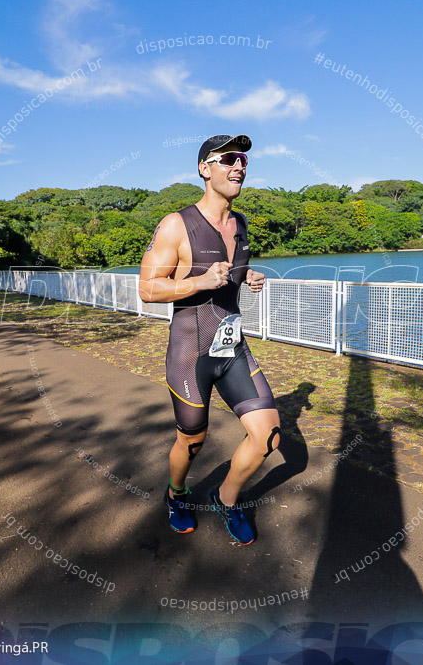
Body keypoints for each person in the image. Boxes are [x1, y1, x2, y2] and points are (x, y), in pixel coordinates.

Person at [139, 134, 279, 545]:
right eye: (228, 159)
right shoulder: (176, 224)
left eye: (244, 160)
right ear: (205, 169)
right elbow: (148, 288)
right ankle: (176, 494)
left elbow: (227, 277)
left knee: (268, 435)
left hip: (232, 347)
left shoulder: (242, 223)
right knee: (193, 438)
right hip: (190, 351)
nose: (239, 166)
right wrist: (200, 280)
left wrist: (245, 275)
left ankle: (226, 498)